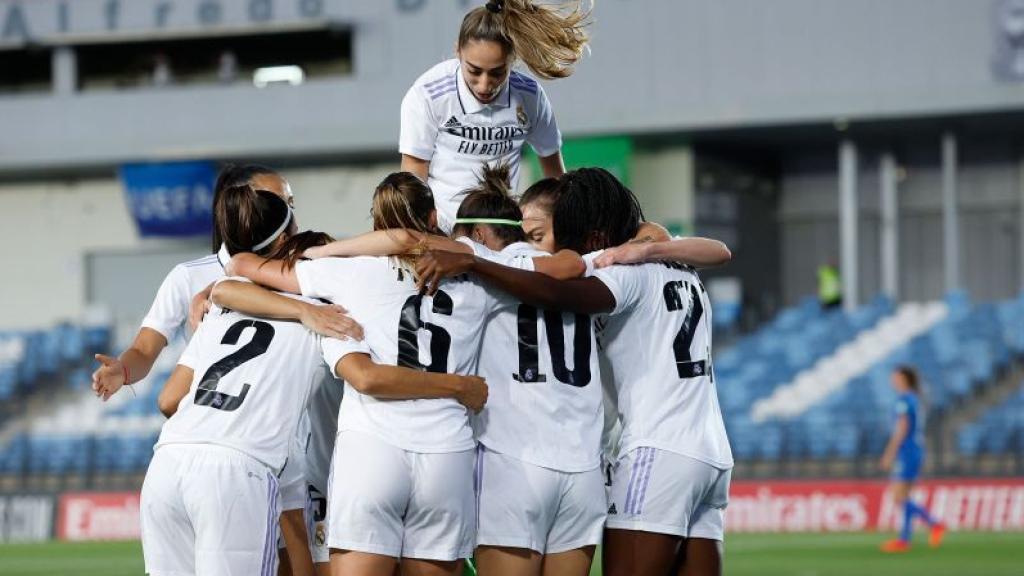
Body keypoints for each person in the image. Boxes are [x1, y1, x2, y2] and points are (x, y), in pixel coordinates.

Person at [415, 167, 733, 576]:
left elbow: (559, 293)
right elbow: (720, 251)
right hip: (708, 453)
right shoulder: (679, 265)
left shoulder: (621, 271)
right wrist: (648, 247)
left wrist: (476, 264)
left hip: (651, 449)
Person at [226, 172, 499, 576]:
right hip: (447, 450)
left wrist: (323, 254)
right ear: (432, 216)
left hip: (373, 448)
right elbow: (542, 269)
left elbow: (241, 264)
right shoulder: (480, 275)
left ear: (373, 224)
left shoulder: (347, 273)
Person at [399, 0, 590, 232]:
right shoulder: (428, 94)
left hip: (504, 229)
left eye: (497, 73)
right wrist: (419, 234)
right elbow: (413, 177)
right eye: (474, 71)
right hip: (443, 228)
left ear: (512, 59)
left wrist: (568, 226)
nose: (484, 85)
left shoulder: (530, 96)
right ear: (457, 50)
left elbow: (555, 174)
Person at [879, 366, 946, 553]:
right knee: (904, 496)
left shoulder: (904, 400)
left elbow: (902, 427)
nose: (892, 380)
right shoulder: (913, 399)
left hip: (907, 451)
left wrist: (889, 452)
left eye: (895, 377)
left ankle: (934, 523)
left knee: (898, 495)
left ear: (904, 379)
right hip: (915, 449)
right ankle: (904, 539)